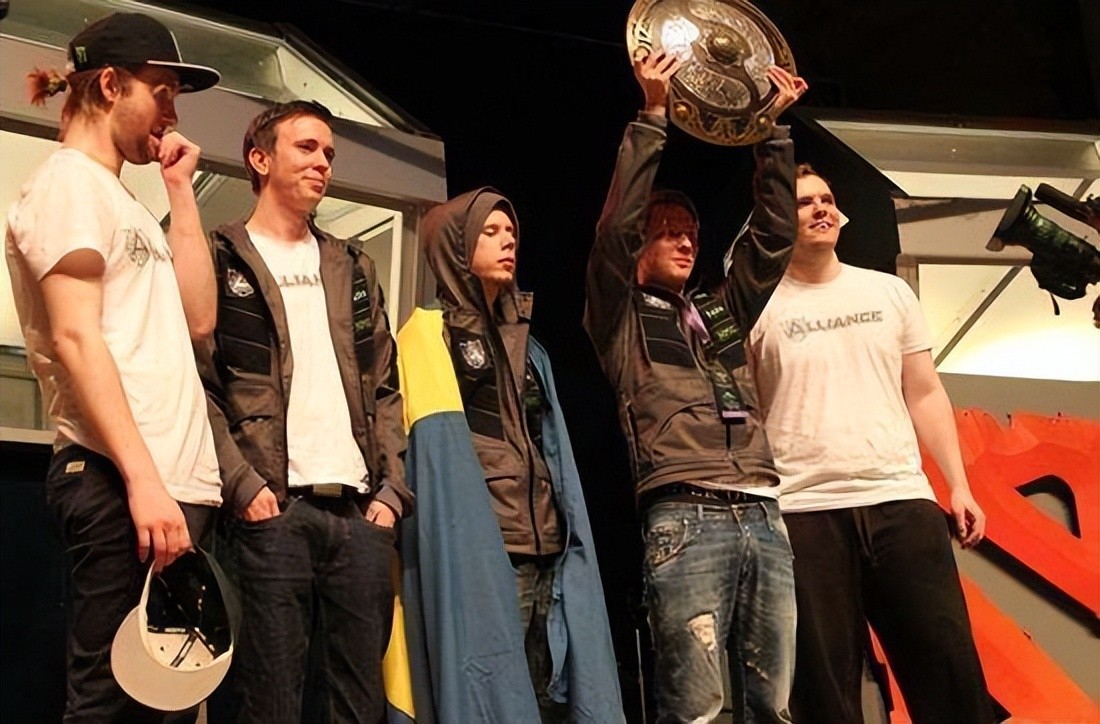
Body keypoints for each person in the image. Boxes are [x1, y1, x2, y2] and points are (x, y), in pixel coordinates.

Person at [5, 12, 222, 721]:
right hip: (119, 479)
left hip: (163, 488)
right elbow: (75, 338)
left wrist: (181, 191)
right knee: (109, 701)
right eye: (162, 93)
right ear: (108, 85)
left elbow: (200, 318)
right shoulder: (67, 183)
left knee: (163, 704)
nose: (172, 113)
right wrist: (143, 481)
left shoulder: (122, 199)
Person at [584, 52, 807, 723]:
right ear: (641, 247)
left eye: (691, 234)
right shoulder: (620, 314)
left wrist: (773, 134)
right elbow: (613, 233)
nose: (685, 243)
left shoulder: (720, 309)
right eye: (667, 234)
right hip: (686, 513)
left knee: (773, 706)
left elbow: (773, 238)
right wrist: (652, 118)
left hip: (762, 510)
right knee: (697, 709)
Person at [747, 163, 995, 723]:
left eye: (826, 197)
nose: (820, 208)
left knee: (949, 672)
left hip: (899, 500)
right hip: (803, 511)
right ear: (777, 221)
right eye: (804, 201)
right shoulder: (757, 306)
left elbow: (925, 393)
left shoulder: (889, 292)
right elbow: (745, 413)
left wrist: (958, 485)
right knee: (825, 693)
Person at [199, 100, 411, 722]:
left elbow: (385, 385)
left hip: (359, 514)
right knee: (269, 704)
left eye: (329, 153)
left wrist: (391, 493)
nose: (323, 163)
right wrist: (244, 486)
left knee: (360, 706)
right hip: (272, 513)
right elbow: (200, 385)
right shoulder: (220, 256)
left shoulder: (353, 264)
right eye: (307, 147)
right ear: (260, 159)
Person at [396, 188, 623, 722]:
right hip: (488, 557)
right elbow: (430, 463)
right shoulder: (428, 338)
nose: (508, 243)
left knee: (546, 702)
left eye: (511, 233)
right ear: (455, 246)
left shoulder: (529, 347)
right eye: (490, 232)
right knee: (492, 699)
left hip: (547, 553)